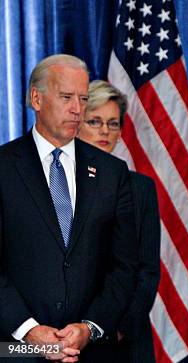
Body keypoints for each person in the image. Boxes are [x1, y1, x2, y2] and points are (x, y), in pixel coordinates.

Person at [0, 54, 138, 362]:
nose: (78, 109)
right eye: (66, 97)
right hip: (14, 350)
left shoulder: (112, 173)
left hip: (91, 351)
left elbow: (124, 267)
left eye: (83, 98)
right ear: (36, 98)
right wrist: (30, 331)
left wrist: (89, 327)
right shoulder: (4, 168)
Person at [77, 80, 160, 363]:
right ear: (75, 123)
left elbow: (147, 270)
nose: (104, 131)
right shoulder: (56, 183)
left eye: (113, 124)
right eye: (95, 121)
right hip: (64, 334)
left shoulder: (140, 188)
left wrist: (118, 329)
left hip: (122, 339)